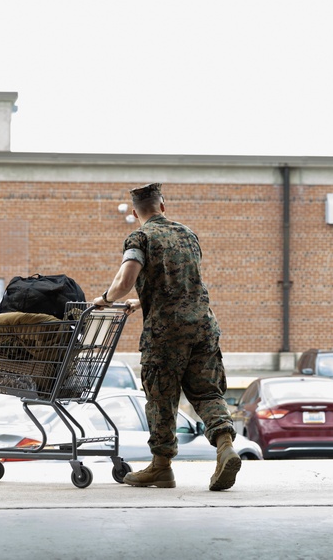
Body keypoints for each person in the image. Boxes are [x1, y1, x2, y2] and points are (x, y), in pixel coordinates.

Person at [92, 182, 241, 491]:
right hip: (203, 326)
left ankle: (161, 468)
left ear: (135, 212)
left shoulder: (140, 237)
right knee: (207, 393)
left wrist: (106, 298)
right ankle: (225, 446)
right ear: (163, 206)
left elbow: (126, 278)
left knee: (161, 398)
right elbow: (180, 282)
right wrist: (141, 301)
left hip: (166, 333)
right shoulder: (188, 234)